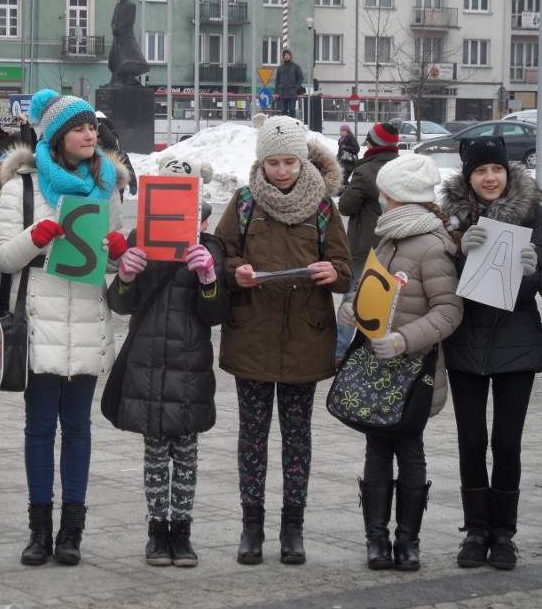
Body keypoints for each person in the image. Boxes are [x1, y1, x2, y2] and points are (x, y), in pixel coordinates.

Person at [0, 88, 130, 567]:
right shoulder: (22, 190)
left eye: (93, 126)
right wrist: (35, 237)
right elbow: (0, 258)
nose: (91, 134)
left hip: (88, 319)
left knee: (78, 428)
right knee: (38, 428)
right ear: (55, 137)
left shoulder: (105, 186)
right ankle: (39, 530)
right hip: (38, 322)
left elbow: (109, 269)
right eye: (79, 128)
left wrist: (116, 253)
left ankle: (72, 532)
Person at [213, 115, 352, 565]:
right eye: (273, 162)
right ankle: (251, 527)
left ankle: (293, 528)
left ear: (302, 159)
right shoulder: (245, 201)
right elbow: (221, 256)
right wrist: (238, 272)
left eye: (289, 161)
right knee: (251, 437)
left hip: (305, 339)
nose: (282, 171)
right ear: (261, 162)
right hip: (252, 334)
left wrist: (333, 273)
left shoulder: (325, 207)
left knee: (297, 438)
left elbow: (344, 267)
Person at [337, 154, 463, 571]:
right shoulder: (389, 239)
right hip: (379, 367)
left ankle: (408, 541)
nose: (382, 203)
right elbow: (370, 286)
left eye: (386, 197)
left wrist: (404, 339)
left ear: (401, 199)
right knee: (376, 448)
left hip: (414, 370)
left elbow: (449, 311)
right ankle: (377, 539)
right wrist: (352, 306)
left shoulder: (431, 246)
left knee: (409, 450)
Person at [438, 136, 542, 571]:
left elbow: (533, 290)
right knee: (471, 440)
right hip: (466, 342)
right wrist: (460, 252)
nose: (490, 178)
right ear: (468, 177)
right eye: (481, 171)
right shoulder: (451, 219)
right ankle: (476, 530)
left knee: (507, 443)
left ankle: (504, 534)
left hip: (517, 341)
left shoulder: (535, 213)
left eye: (496, 169)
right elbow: (443, 280)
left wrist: (532, 270)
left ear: (507, 172)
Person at [106, 202, 226, 568]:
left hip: (190, 364)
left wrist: (209, 279)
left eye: (199, 215)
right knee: (155, 454)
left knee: (187, 455)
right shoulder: (140, 241)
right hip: (148, 362)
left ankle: (183, 531)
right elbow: (121, 305)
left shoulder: (212, 248)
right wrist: (124, 276)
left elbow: (216, 314)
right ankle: (158, 531)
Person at [335, 122, 400, 364]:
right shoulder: (400, 168)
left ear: (373, 144)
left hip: (366, 249)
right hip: (397, 246)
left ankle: (340, 352)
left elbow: (345, 206)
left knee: (352, 299)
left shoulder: (366, 172)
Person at [107, 0, 150, 86]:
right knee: (114, 58)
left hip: (126, 38)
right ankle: (114, 79)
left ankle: (128, 78)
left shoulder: (131, 6)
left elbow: (130, 20)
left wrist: (119, 28)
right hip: (117, 37)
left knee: (129, 59)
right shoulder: (117, 6)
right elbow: (113, 20)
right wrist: (113, 27)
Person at [273, 49, 304, 118]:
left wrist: (296, 87)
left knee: (292, 110)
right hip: (282, 93)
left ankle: (293, 125)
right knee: (283, 110)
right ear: (283, 57)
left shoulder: (296, 67)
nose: (286, 57)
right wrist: (276, 92)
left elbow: (301, 78)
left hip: (292, 93)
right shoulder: (280, 68)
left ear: (290, 56)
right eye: (285, 55)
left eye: (288, 55)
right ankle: (284, 125)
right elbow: (277, 81)